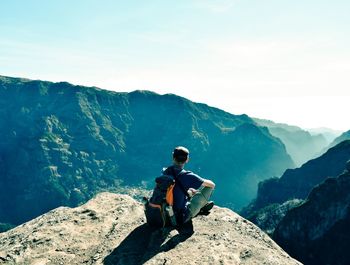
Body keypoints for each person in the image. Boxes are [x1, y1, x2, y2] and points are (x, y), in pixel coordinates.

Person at [162, 146, 215, 225]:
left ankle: (198, 203)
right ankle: (201, 206)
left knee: (189, 192)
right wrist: (197, 180)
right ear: (187, 160)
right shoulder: (188, 175)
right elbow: (212, 185)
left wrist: (188, 190)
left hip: (163, 213)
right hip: (179, 218)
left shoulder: (165, 171)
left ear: (173, 157)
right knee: (208, 189)